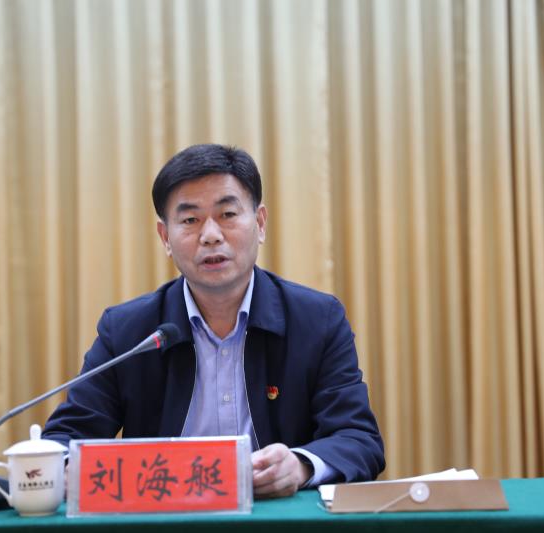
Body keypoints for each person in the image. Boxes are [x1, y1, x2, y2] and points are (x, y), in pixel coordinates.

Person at [43, 144, 384, 498]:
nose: (210, 235)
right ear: (166, 238)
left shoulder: (316, 320)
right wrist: (65, 467)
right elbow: (66, 438)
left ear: (260, 224)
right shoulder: (129, 331)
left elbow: (358, 439)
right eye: (190, 220)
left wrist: (300, 466)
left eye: (227, 214)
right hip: (164, 518)